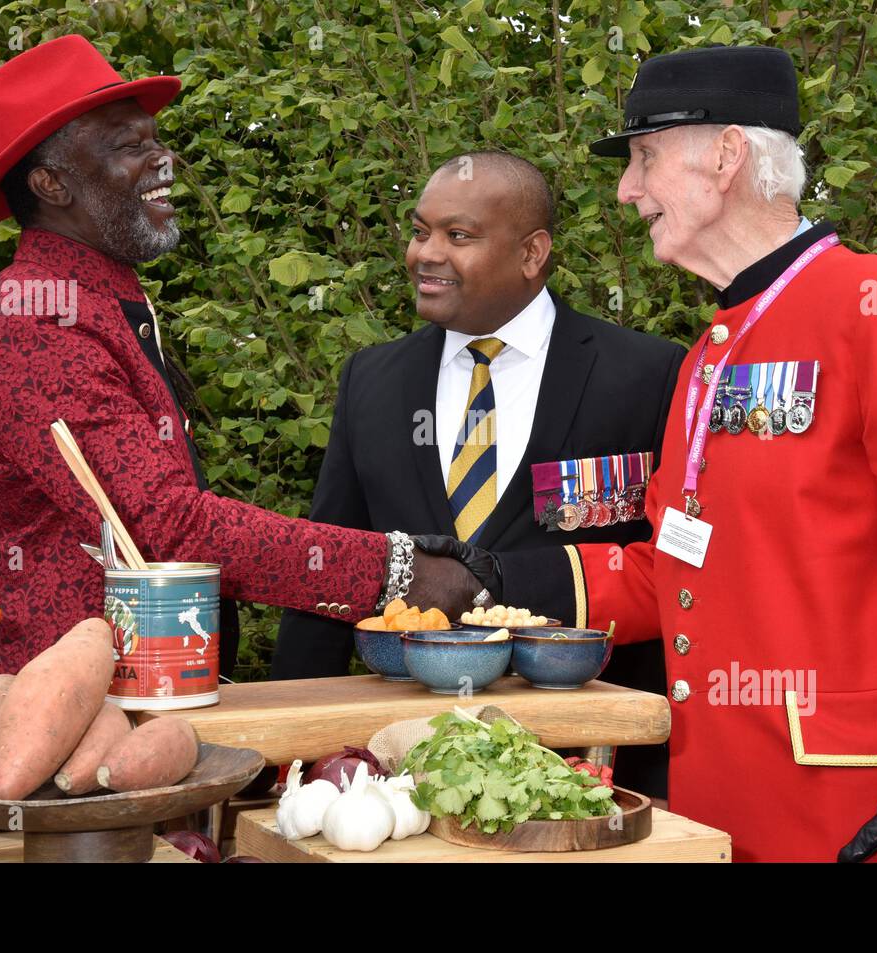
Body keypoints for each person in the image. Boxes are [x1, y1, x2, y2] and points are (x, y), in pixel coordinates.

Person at [474, 45, 877, 861]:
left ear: (727, 155)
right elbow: (675, 568)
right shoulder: (711, 351)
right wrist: (491, 578)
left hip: (857, 810)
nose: (625, 191)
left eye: (642, 159)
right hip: (716, 806)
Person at [0, 35, 480, 699]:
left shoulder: (96, 298)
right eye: (127, 145)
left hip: (122, 705)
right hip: (41, 723)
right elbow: (166, 528)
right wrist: (402, 572)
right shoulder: (35, 320)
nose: (163, 158)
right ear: (52, 183)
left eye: (154, 139)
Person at [272, 152, 685, 797]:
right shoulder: (371, 382)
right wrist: (288, 751)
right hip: (400, 766)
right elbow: (331, 560)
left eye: (457, 237)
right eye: (419, 232)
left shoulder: (647, 374)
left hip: (590, 765)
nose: (425, 255)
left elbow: (673, 571)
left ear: (531, 253)